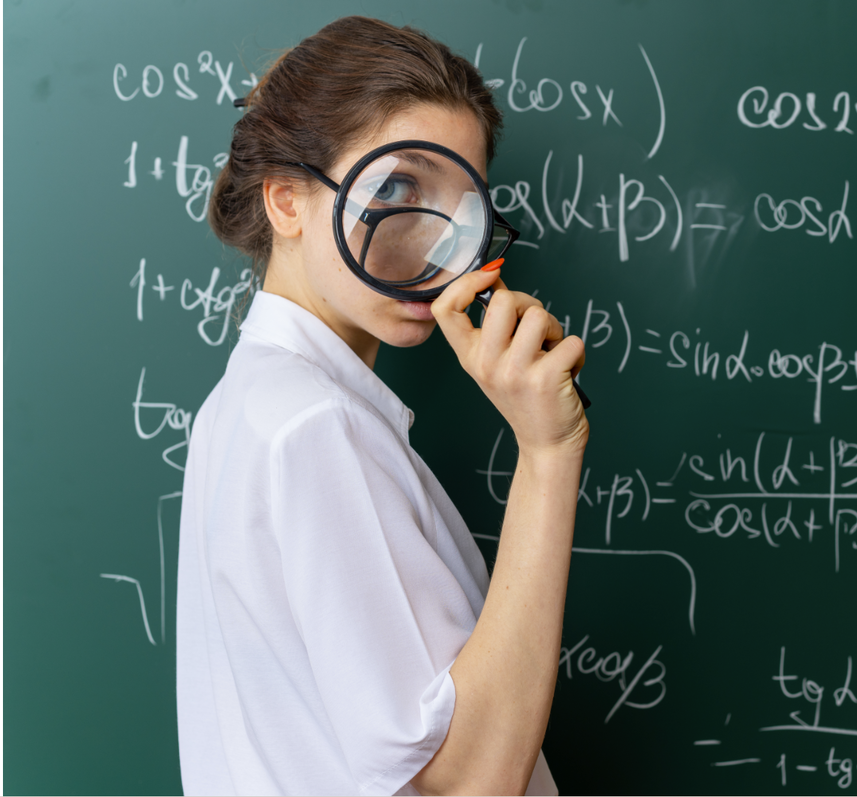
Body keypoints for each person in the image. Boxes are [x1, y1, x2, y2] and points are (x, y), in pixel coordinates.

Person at [177, 16, 588, 796]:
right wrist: (547, 452)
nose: (436, 244)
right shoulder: (313, 424)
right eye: (396, 188)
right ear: (288, 200)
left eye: (460, 206)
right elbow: (471, 781)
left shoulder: (257, 405)